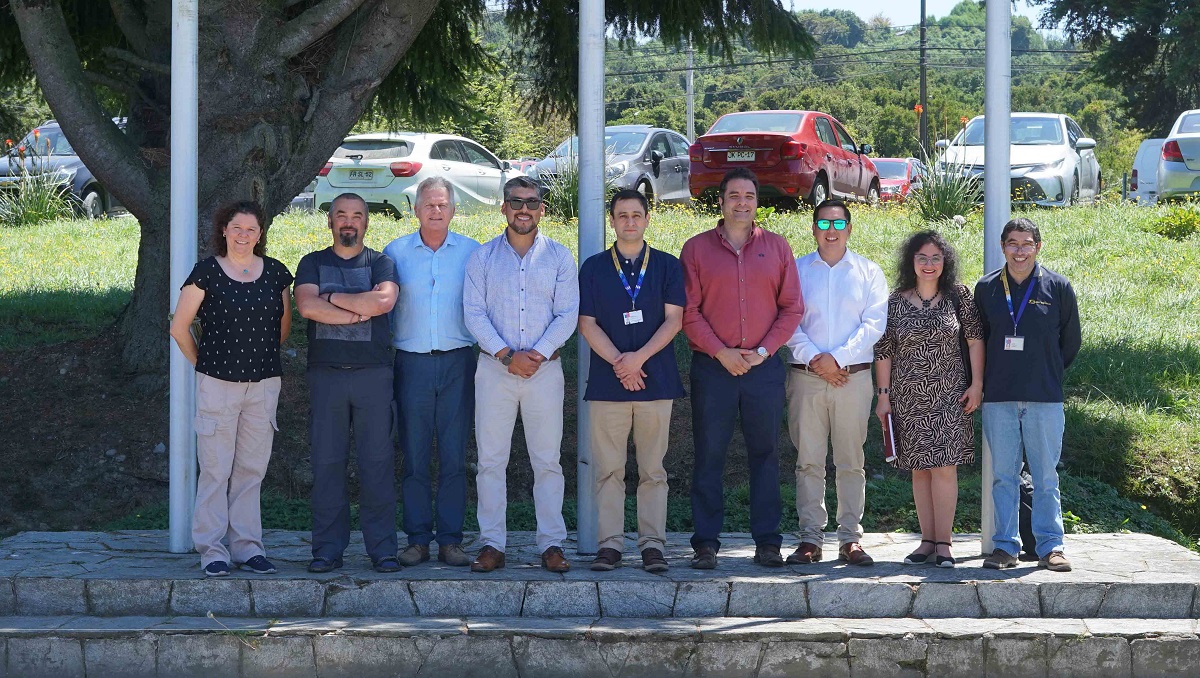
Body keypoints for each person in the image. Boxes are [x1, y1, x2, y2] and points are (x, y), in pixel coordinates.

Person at [680, 168, 804, 569]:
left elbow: (792, 308)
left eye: (749, 195)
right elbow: (689, 311)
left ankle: (768, 541)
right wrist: (721, 352)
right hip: (713, 368)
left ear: (756, 201)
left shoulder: (778, 248)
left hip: (763, 368)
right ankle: (705, 544)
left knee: (766, 453)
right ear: (720, 201)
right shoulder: (696, 249)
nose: (741, 202)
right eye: (733, 195)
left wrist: (764, 351)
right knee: (709, 454)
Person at [169, 201, 293, 577]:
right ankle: (212, 549)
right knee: (215, 469)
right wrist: (204, 367)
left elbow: (282, 329)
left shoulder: (275, 274)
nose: (243, 235)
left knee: (251, 470)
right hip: (217, 386)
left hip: (263, 384)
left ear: (260, 234)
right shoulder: (206, 273)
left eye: (251, 229)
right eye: (236, 228)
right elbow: (179, 328)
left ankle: (247, 547)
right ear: (223, 230)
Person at [463, 176, 579, 574]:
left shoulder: (561, 258)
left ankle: (551, 544)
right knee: (491, 461)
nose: (523, 209)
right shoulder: (481, 258)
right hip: (494, 369)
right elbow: (473, 313)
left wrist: (536, 355)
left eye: (531, 203)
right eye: (516, 202)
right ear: (504, 208)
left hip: (545, 373)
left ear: (542, 209)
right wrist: (507, 354)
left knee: (547, 461)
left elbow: (568, 315)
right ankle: (492, 544)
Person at [577, 189, 685, 573]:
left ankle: (652, 545)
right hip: (608, 384)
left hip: (656, 381)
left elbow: (675, 320)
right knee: (609, 470)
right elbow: (586, 324)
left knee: (653, 470)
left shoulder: (668, 266)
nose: (629, 222)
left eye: (636, 215)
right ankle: (610, 545)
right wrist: (621, 365)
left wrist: (638, 360)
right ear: (612, 221)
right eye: (622, 215)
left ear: (647, 218)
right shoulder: (592, 268)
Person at [294, 193, 401, 574]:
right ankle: (326, 550)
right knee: (327, 465)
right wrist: (359, 310)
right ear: (330, 222)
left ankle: (383, 550)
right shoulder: (312, 263)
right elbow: (307, 307)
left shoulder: (382, 263)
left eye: (357, 215)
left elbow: (383, 304)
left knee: (377, 464)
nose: (349, 222)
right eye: (341, 215)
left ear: (367, 222)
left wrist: (335, 299)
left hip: (374, 376)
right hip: (327, 377)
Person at [382, 177, 480, 567]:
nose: (435, 211)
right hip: (411, 365)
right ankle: (418, 539)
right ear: (416, 209)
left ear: (453, 210)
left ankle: (451, 540)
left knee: (455, 456)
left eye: (442, 205)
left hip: (458, 362)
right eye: (428, 205)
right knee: (415, 454)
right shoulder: (396, 252)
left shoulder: (473, 253)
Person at [785, 199, 888, 567]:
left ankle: (850, 540)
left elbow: (874, 325)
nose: (832, 230)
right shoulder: (795, 270)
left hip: (853, 379)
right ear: (813, 229)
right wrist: (817, 358)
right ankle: (810, 539)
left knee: (850, 461)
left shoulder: (868, 272)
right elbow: (786, 320)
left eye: (839, 223)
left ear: (849, 229)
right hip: (806, 379)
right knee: (808, 462)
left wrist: (838, 359)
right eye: (824, 224)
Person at [874, 230, 984, 568]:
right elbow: (883, 350)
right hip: (907, 396)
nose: (929, 264)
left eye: (936, 258)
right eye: (922, 257)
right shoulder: (894, 301)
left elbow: (975, 339)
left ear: (945, 262)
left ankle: (945, 544)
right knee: (919, 470)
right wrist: (883, 397)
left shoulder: (958, 297)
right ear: (911, 261)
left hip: (951, 395)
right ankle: (925, 542)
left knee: (945, 469)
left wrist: (977, 384)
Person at [977, 217, 1081, 572]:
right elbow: (978, 341)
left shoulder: (1058, 287)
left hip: (1044, 398)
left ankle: (1051, 547)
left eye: (1026, 244)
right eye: (1012, 244)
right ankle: (1005, 546)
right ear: (1003, 247)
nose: (1019, 251)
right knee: (1003, 476)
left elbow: (1070, 342)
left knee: (1045, 475)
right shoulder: (987, 288)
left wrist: (1046, 371)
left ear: (1038, 246)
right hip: (999, 397)